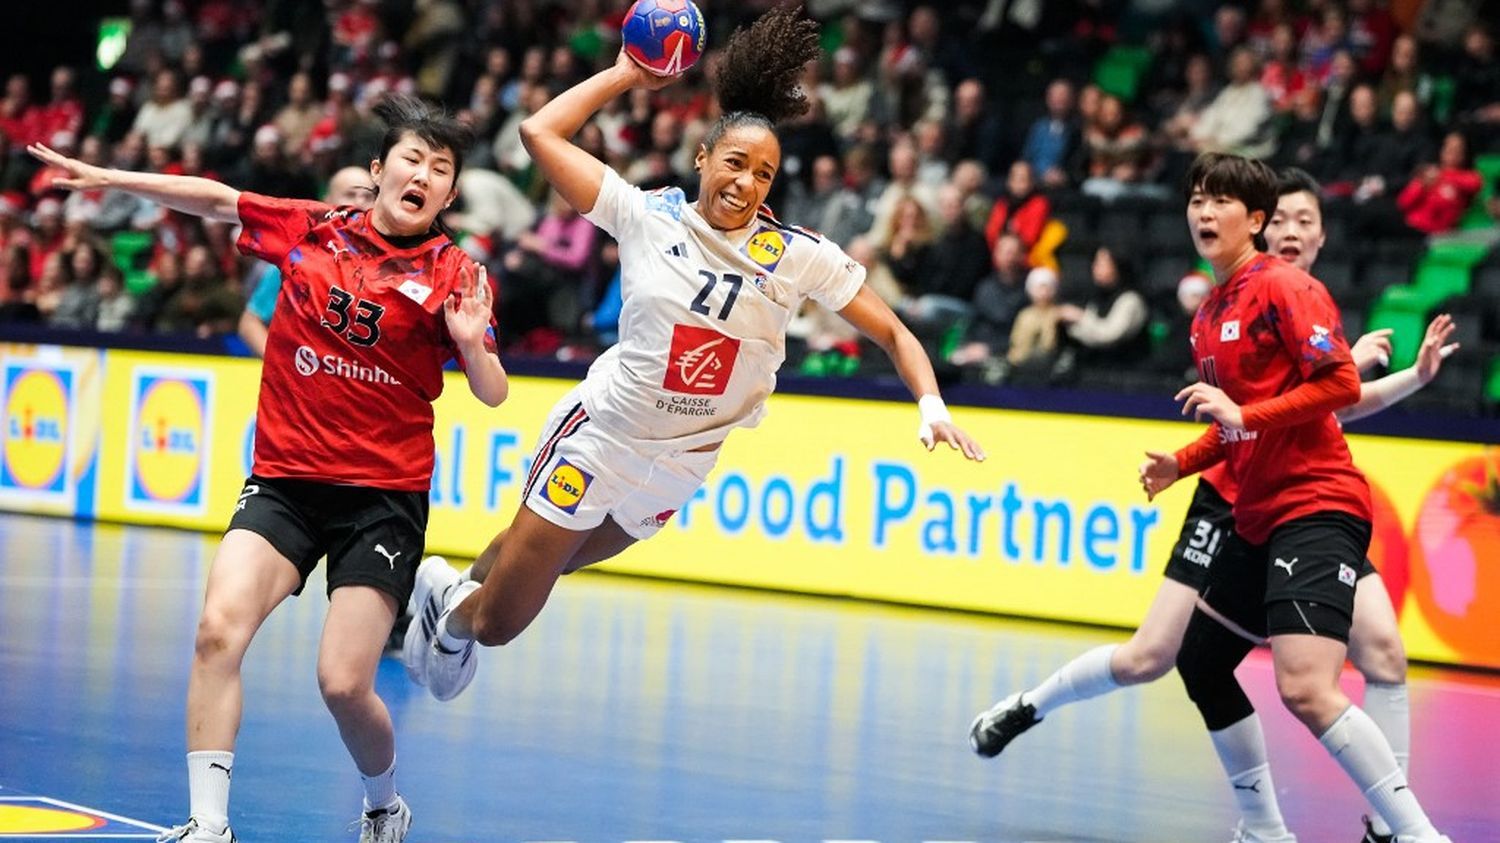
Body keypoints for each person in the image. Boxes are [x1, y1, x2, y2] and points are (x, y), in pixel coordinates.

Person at [401, 6, 984, 704]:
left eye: (763, 173)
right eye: (734, 162)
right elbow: (538, 133)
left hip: (681, 465)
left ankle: (446, 586)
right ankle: (458, 612)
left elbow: (893, 331)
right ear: (703, 157)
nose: (745, 182)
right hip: (602, 439)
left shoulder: (797, 255)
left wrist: (929, 402)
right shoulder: (646, 215)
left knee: (549, 562)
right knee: (500, 623)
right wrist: (625, 73)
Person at [29, 93, 507, 843]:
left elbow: (492, 391)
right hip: (285, 479)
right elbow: (218, 200)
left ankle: (384, 802)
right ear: (379, 170)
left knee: (344, 682)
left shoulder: (455, 274)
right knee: (218, 629)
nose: (423, 174)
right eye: (412, 158)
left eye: (440, 169)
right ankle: (207, 825)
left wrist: (474, 344)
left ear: (448, 195)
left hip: (381, 498)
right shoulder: (311, 229)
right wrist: (110, 176)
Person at [969, 160, 1457, 843]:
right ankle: (1263, 827)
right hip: (1253, 511)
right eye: (1196, 199)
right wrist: (1183, 461)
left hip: (1313, 503)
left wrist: (1248, 414)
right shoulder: (1207, 317)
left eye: (1220, 200)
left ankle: (1411, 832)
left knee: (1311, 686)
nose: (1202, 211)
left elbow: (1340, 387)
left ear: (1254, 219)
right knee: (1192, 657)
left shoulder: (1288, 286)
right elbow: (1233, 423)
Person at [237, 165, 375, 357]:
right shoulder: (298, 257)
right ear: (327, 201)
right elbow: (250, 323)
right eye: (350, 195)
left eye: (368, 197)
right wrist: (283, 366)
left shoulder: (394, 262)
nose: (360, 204)